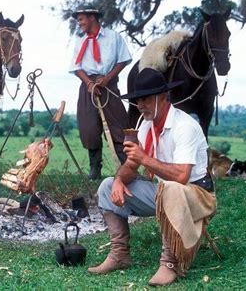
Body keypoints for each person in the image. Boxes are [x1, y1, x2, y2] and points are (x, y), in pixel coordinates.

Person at [88, 68, 217, 286]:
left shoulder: (184, 126)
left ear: (163, 97)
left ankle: (170, 262)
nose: (140, 105)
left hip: (197, 195)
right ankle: (120, 255)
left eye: (146, 99)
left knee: (171, 188)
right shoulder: (146, 126)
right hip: (166, 193)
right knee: (106, 186)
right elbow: (130, 166)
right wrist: (119, 181)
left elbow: (182, 176)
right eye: (138, 100)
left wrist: (144, 159)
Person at [69, 5, 132, 180]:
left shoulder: (113, 37)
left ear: (92, 18)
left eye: (81, 19)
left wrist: (106, 79)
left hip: (109, 85)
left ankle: (126, 167)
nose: (79, 22)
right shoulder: (80, 41)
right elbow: (76, 67)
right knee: (89, 126)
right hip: (87, 86)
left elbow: (123, 60)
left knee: (118, 126)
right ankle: (94, 169)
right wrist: (89, 83)